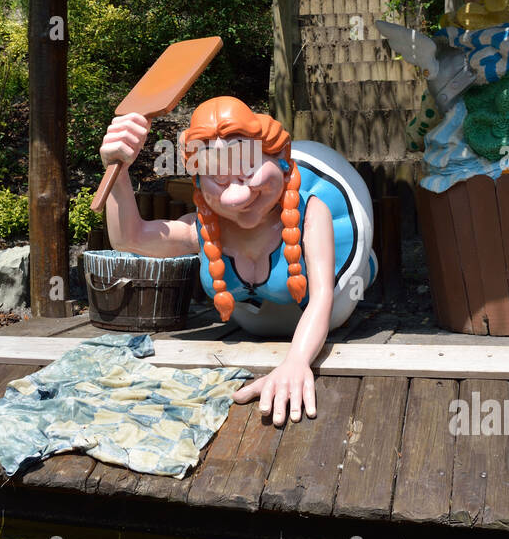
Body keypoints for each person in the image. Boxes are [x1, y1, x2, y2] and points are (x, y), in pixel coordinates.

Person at [99, 96, 375, 426]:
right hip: (254, 320)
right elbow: (130, 239)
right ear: (200, 182)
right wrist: (118, 170)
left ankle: (369, 265)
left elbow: (321, 301)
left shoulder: (313, 212)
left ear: (280, 162)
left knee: (348, 291)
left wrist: (296, 362)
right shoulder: (202, 228)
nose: (237, 196)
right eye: (219, 178)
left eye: (248, 172)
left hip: (332, 295)